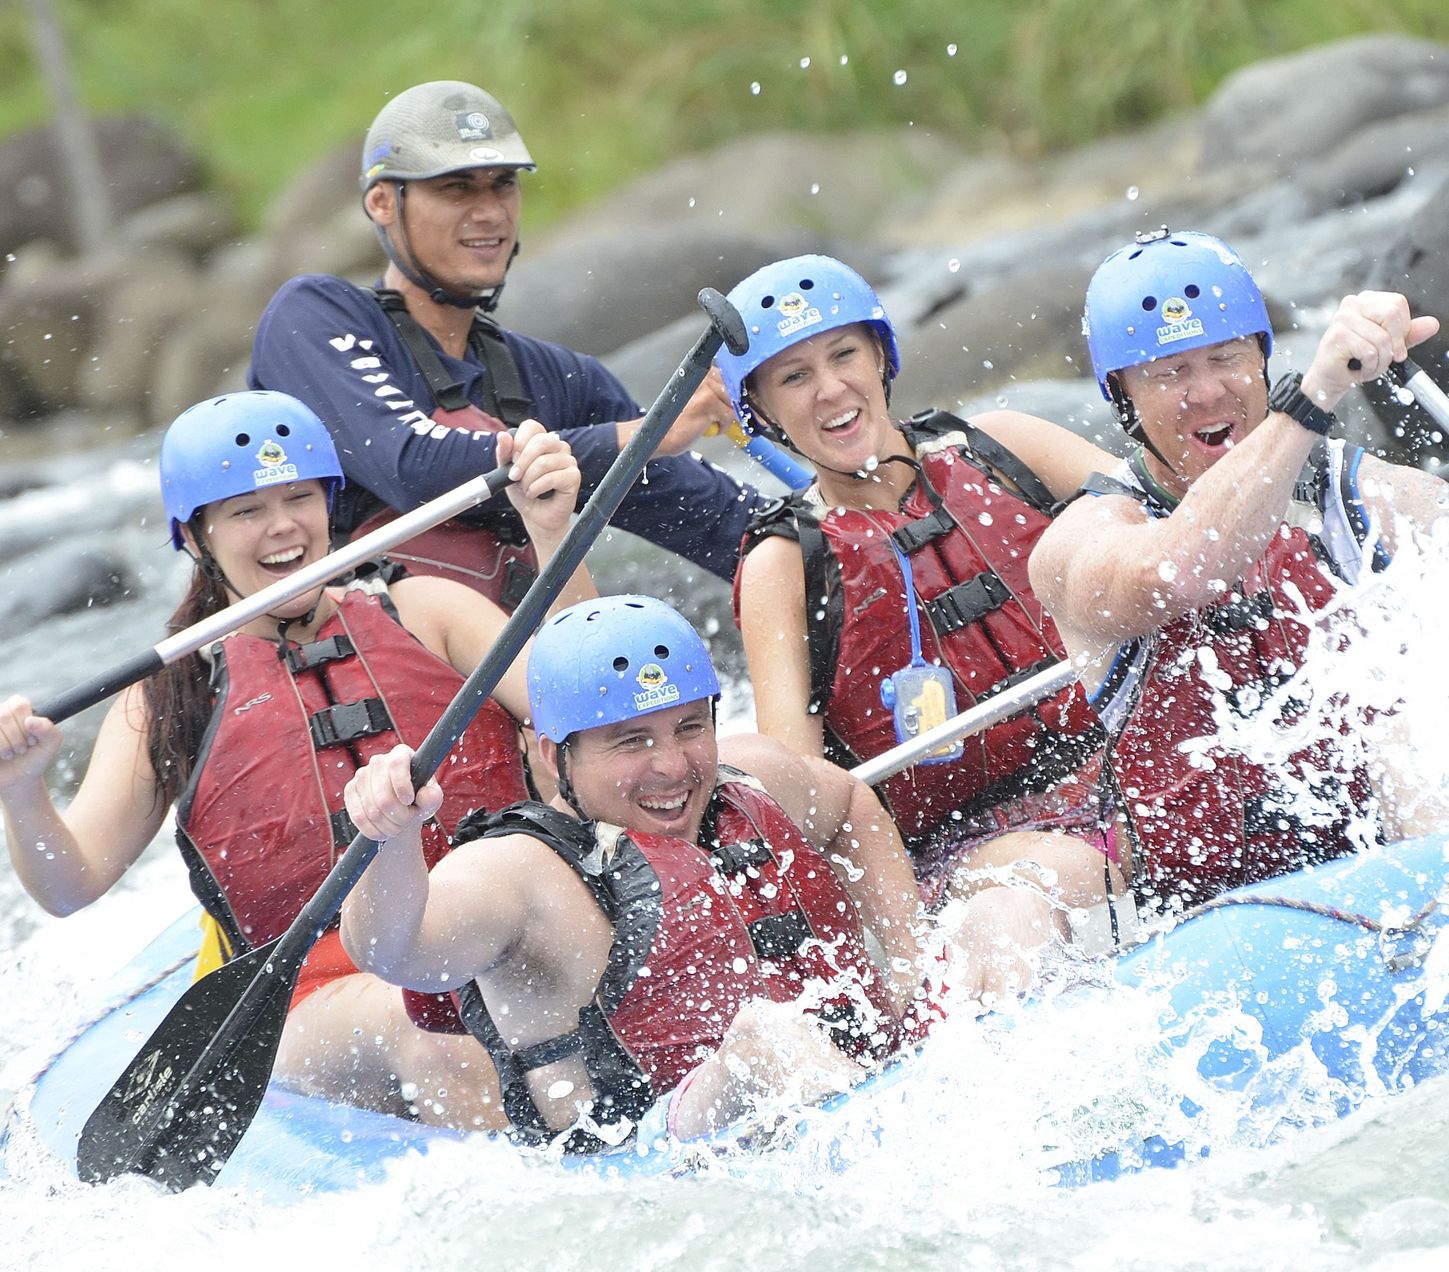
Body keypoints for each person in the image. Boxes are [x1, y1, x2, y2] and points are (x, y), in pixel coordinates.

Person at [0, 389, 587, 1127]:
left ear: (329, 505)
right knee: (438, 1039)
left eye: (299, 498)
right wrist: (22, 792)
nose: (282, 528)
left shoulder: (429, 610)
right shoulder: (170, 696)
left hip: (491, 927)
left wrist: (553, 531)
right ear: (196, 536)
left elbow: (591, 705)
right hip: (317, 993)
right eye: (247, 511)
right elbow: (69, 883)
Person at [338, 595, 930, 1146]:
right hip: (652, 1163)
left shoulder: (752, 779)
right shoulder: (523, 870)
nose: (672, 766)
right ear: (555, 755)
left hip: (856, 1092)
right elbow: (392, 950)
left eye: (690, 728)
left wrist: (911, 965)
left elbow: (849, 803)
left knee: (1002, 915)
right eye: (632, 742)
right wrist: (388, 836)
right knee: (766, 1042)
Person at [1029, 228, 1449, 910]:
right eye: (1171, 372)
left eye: (1226, 358)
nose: (1207, 393)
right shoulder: (1082, 541)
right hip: (1215, 918)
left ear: (1260, 356)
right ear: (1122, 396)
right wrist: (1314, 395)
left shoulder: (1376, 498)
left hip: (1391, 871)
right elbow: (1178, 573)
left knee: (1410, 740)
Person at [722, 256, 1130, 967]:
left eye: (844, 354)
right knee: (1069, 873)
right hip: (954, 848)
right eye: (794, 377)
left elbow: (1169, 538)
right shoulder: (783, 564)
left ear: (881, 356)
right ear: (761, 411)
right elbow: (804, 797)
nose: (831, 389)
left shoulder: (1006, 449)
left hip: (1120, 771)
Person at [249, 80, 760, 608]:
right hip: (349, 671)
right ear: (382, 202)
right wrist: (644, 433)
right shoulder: (312, 317)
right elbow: (411, 468)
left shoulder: (563, 380)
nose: (491, 211)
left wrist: (818, 544)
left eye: (502, 185)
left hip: (502, 679)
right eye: (457, 188)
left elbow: (724, 527)